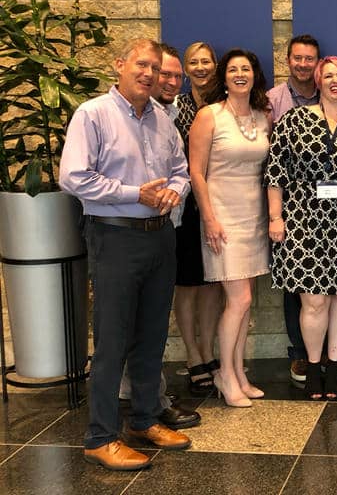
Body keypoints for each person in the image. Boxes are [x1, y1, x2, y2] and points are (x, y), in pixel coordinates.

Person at [60, 38, 191, 471]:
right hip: (113, 236)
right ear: (119, 65)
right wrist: (134, 193)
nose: (149, 74)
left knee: (152, 336)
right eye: (141, 64)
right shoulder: (92, 114)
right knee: (113, 340)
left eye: (155, 67)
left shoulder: (162, 119)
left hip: (159, 237)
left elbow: (180, 171)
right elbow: (73, 178)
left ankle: (143, 420)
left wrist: (174, 190)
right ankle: (99, 437)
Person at [266, 56, 337, 401]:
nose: (335, 80)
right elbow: (274, 173)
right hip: (301, 221)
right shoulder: (294, 120)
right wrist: (274, 218)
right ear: (318, 81)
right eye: (328, 75)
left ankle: (333, 365)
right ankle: (313, 367)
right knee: (313, 301)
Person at [118, 43, 201, 430]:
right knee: (131, 320)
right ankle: (145, 400)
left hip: (168, 227)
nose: (165, 80)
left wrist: (177, 191)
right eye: (159, 72)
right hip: (125, 231)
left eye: (172, 75)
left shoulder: (172, 115)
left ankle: (148, 397)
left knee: (152, 319)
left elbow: (182, 171)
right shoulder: (118, 115)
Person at [189, 48, 271, 407]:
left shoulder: (262, 116)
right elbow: (196, 171)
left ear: (254, 75)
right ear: (223, 77)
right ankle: (224, 373)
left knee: (245, 303)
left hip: (254, 217)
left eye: (246, 69)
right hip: (222, 218)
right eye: (234, 69)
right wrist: (208, 217)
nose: (240, 74)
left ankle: (238, 373)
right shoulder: (209, 116)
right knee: (240, 300)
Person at [267, 34, 328, 383]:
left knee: (327, 288)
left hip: (331, 211)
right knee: (296, 284)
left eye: (310, 59)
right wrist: (276, 214)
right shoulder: (273, 101)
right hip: (291, 207)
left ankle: (321, 354)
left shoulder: (330, 96)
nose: (304, 64)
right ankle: (301, 354)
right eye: (298, 58)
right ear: (288, 60)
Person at [173, 42, 224, 395]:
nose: (201, 67)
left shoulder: (225, 104)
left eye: (206, 61)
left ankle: (208, 350)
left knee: (213, 283)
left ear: (215, 65)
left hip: (222, 205)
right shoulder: (175, 106)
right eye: (194, 62)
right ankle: (192, 355)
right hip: (186, 208)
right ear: (185, 68)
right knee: (187, 283)